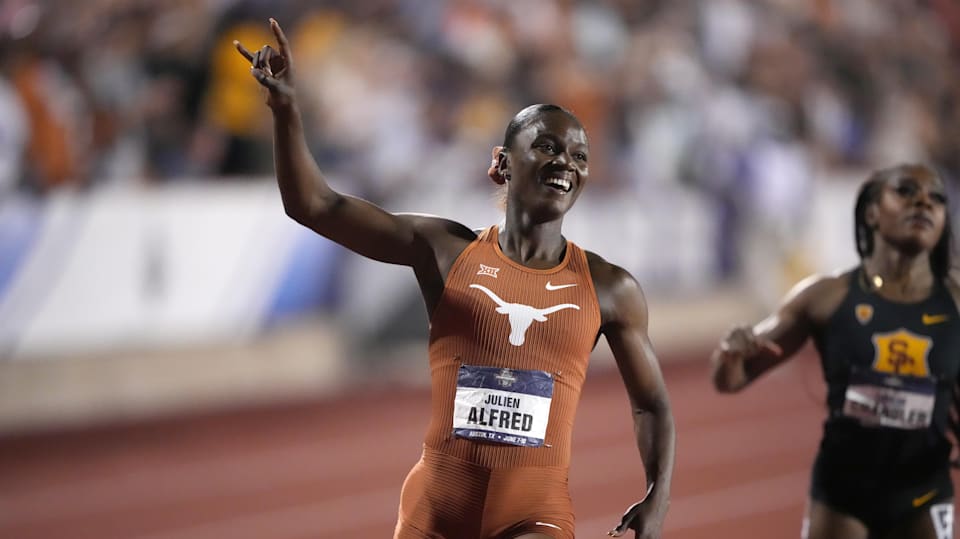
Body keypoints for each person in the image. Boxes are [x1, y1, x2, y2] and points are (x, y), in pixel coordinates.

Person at [234, 19, 674, 539]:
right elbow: (315, 206)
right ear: (501, 164)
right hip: (436, 507)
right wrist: (285, 111)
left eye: (579, 156)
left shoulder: (609, 288)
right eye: (549, 148)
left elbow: (650, 401)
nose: (565, 164)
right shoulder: (445, 252)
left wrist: (657, 493)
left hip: (535, 512)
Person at [711, 163, 959, 539]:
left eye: (936, 198)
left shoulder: (955, 303)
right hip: (843, 495)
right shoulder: (826, 297)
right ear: (872, 211)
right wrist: (731, 354)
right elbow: (731, 379)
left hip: (924, 491)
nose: (924, 202)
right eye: (906, 191)